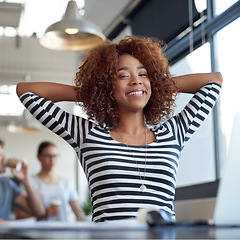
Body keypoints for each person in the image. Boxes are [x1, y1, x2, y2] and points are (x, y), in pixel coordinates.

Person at [16, 35, 222, 222]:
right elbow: (26, 91)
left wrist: (156, 85)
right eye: (123, 76)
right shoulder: (87, 136)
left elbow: (214, 81)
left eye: (143, 74)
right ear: (107, 86)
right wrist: (93, 93)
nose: (135, 80)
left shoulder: (173, 134)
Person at [16, 141, 85, 221]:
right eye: (48, 156)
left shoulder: (66, 183)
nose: (52, 160)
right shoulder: (28, 182)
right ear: (39, 157)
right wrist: (44, 213)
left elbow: (79, 213)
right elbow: (19, 215)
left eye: (55, 156)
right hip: (38, 232)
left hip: (64, 231)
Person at [0, 139, 45, 221]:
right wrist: (10, 225)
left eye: (4, 154)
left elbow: (39, 211)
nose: (4, 159)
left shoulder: (6, 184)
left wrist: (26, 180)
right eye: (0, 155)